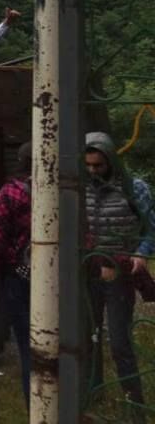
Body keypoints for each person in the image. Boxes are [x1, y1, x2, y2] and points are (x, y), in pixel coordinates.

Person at [84, 132, 155, 418]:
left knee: (119, 341)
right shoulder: (78, 188)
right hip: (88, 271)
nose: (92, 171)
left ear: (111, 160)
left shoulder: (134, 188)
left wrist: (141, 253)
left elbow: (151, 227)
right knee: (89, 336)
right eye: (87, 165)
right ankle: (94, 392)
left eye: (98, 165)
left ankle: (134, 404)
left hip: (119, 272)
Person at [0, 143, 33, 409]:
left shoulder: (11, 192)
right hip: (57, 277)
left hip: (19, 280)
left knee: (28, 348)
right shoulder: (60, 190)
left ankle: (37, 409)